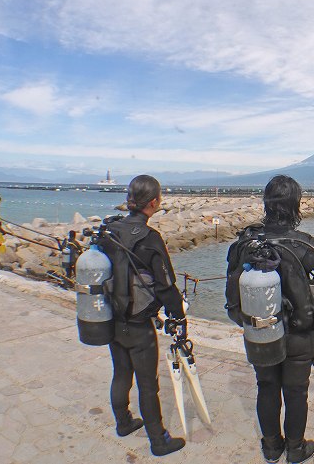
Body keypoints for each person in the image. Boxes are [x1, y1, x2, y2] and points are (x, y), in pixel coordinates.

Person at [231, 175, 314, 464]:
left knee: (266, 386)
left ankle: (271, 447)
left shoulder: (248, 243)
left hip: (260, 329)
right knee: (296, 391)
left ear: (266, 203)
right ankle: (295, 448)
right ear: (296, 205)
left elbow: (232, 288)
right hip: (299, 332)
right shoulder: (304, 243)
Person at [104, 175, 186, 457]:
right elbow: (166, 286)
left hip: (113, 319)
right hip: (140, 325)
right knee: (148, 385)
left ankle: (123, 422)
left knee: (121, 373)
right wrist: (179, 317)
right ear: (154, 203)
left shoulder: (111, 230)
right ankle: (158, 441)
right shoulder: (150, 239)